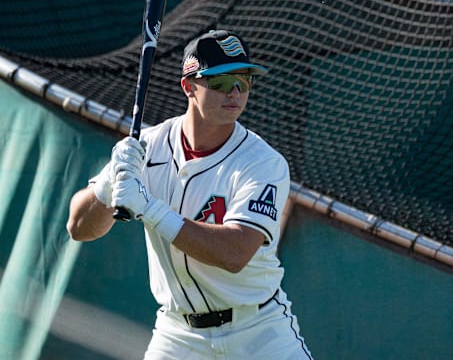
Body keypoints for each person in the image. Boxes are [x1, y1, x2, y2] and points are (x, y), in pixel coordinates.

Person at [66, 29, 312, 359]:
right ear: (189, 87)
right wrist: (109, 183)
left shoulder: (263, 163)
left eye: (244, 80)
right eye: (222, 82)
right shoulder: (149, 146)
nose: (235, 92)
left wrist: (149, 209)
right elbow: (79, 228)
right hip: (179, 334)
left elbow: (234, 254)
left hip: (258, 331)